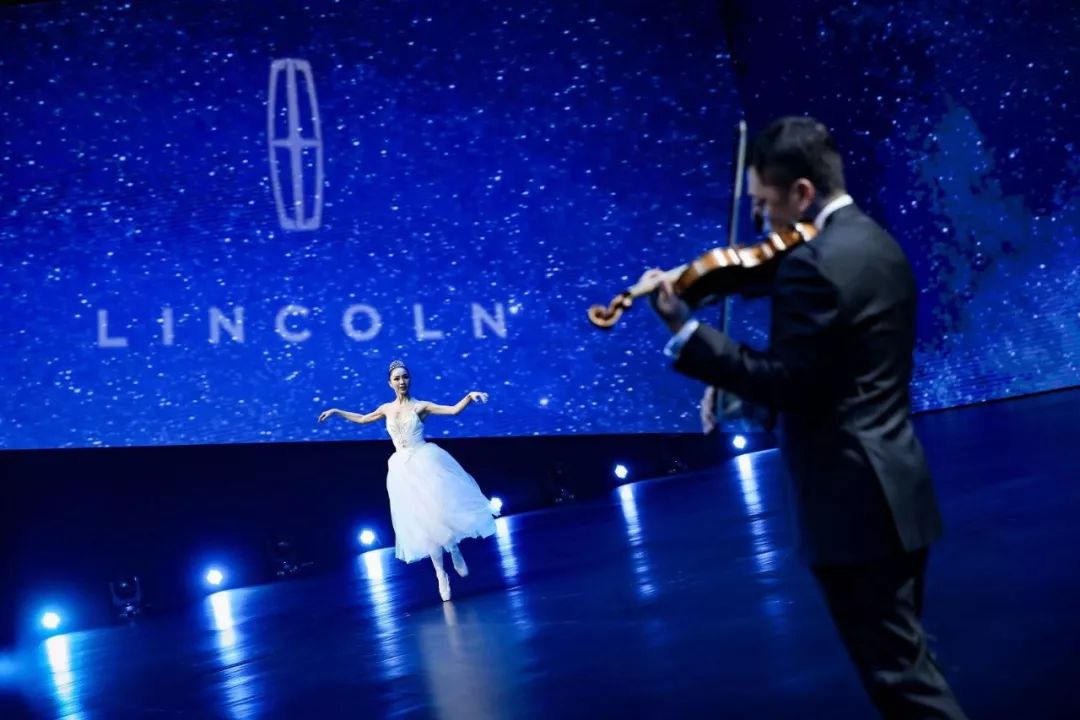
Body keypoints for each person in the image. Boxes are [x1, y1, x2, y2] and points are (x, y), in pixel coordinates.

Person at [642, 116, 967, 718]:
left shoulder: (809, 265)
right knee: (908, 666)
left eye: (765, 204)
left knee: (904, 685)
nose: (761, 221)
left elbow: (788, 382)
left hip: (852, 505)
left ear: (801, 193)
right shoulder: (877, 242)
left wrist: (687, 332)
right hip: (900, 490)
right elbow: (833, 378)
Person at [319, 360, 498, 602]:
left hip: (427, 462)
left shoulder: (421, 406)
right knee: (423, 522)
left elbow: (453, 410)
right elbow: (362, 419)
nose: (401, 381)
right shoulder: (386, 409)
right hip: (402, 469)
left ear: (409, 379)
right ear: (390, 383)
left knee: (438, 514)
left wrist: (469, 396)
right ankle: (440, 574)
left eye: (405, 377)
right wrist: (336, 411)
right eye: (397, 378)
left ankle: (454, 549)